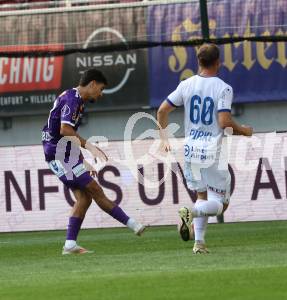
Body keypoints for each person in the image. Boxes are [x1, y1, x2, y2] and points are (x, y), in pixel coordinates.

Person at [157, 43, 253, 254]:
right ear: (218, 63)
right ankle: (189, 213)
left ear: (198, 62)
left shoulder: (186, 85)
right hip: (212, 152)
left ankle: (198, 242)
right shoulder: (223, 88)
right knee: (221, 204)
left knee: (202, 196)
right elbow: (224, 122)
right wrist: (244, 130)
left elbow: (162, 110)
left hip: (191, 151)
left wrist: (164, 138)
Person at [42, 69, 147, 255]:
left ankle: (70, 245)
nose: (101, 93)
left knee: (85, 197)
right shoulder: (73, 100)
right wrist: (89, 147)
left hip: (64, 154)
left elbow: (69, 137)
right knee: (95, 190)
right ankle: (133, 224)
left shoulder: (76, 100)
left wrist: (83, 161)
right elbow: (65, 130)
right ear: (92, 84)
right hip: (57, 154)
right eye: (101, 88)